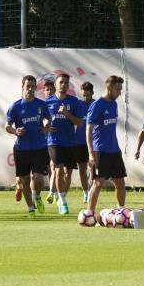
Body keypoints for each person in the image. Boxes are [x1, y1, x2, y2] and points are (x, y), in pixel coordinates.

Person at [6, 75, 51, 219]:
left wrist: (46, 127)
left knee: (38, 178)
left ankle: (36, 196)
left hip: (39, 147)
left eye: (33, 86)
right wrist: (15, 131)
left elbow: (48, 118)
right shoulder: (15, 106)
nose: (30, 89)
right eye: (28, 86)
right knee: (25, 181)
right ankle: (31, 209)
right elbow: (7, 126)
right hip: (21, 149)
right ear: (22, 87)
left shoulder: (41, 105)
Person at [86, 75, 127, 213]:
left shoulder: (114, 104)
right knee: (98, 183)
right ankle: (89, 214)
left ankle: (121, 212)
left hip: (114, 150)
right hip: (99, 151)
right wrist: (91, 153)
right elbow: (88, 130)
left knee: (120, 183)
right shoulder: (97, 105)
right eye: (117, 89)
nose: (120, 92)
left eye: (121, 89)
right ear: (109, 87)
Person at [45, 73, 84, 215]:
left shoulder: (74, 102)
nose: (63, 85)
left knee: (68, 174)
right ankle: (62, 201)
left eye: (66, 83)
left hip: (70, 142)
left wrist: (68, 114)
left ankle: (62, 197)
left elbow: (80, 123)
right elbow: (42, 122)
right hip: (54, 141)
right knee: (58, 170)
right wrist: (45, 125)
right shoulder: (47, 102)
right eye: (61, 82)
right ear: (55, 85)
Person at [70, 81, 95, 204]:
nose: (85, 98)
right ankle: (86, 192)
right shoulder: (78, 104)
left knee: (93, 167)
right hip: (79, 141)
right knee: (81, 168)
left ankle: (91, 189)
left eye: (88, 95)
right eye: (84, 95)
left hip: (94, 141)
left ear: (92, 93)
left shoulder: (97, 105)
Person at [42, 79, 59, 205]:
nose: (49, 92)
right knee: (49, 169)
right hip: (42, 141)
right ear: (43, 91)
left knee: (53, 167)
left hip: (54, 140)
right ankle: (53, 191)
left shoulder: (58, 102)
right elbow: (39, 120)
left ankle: (52, 192)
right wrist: (45, 125)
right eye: (47, 89)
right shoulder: (41, 104)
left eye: (52, 89)